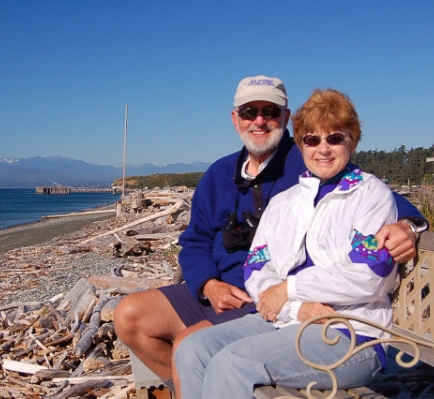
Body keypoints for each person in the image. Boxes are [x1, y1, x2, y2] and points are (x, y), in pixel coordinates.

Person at [113, 76, 426, 391]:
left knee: (202, 351)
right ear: (236, 119)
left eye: (270, 111)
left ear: (286, 119)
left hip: (308, 315)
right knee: (155, 330)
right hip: (248, 297)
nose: (260, 120)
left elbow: (377, 201)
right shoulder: (231, 177)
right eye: (250, 111)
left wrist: (409, 224)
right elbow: (201, 244)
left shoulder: (311, 167)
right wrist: (208, 284)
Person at [173, 88, 405, 398]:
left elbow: (370, 277)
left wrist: (290, 289)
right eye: (312, 140)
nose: (323, 149)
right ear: (300, 144)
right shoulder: (285, 202)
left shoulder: (371, 196)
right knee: (193, 349)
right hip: (287, 322)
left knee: (233, 363)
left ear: (352, 140)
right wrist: (295, 308)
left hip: (352, 334)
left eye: (335, 138)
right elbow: (257, 268)